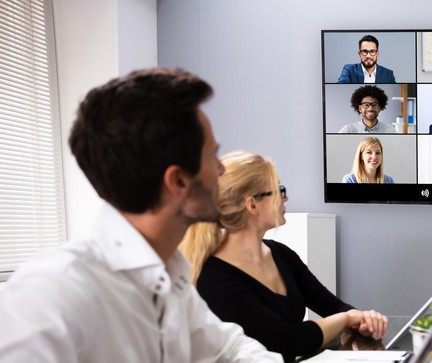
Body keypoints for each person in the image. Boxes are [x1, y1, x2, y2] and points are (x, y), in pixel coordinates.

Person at [0, 68, 281, 362]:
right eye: (213, 156)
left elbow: (229, 348)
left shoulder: (169, 276)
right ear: (178, 182)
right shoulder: (53, 292)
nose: (221, 170)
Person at [181, 151, 389, 363]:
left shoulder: (281, 254)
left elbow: (332, 306)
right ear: (252, 205)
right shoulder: (213, 277)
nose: (285, 197)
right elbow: (287, 339)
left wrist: (362, 320)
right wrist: (347, 319)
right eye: (279, 191)